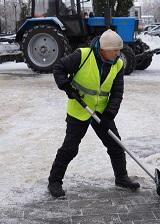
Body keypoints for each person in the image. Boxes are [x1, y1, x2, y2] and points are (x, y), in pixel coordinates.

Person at [47, 29, 139, 198]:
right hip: (79, 109)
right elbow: (59, 68)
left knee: (116, 145)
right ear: (104, 49)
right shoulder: (82, 55)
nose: (118, 54)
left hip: (102, 112)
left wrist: (109, 114)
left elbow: (117, 92)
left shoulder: (118, 64)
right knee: (70, 148)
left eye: (119, 50)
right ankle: (54, 181)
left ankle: (121, 177)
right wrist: (66, 86)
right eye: (115, 50)